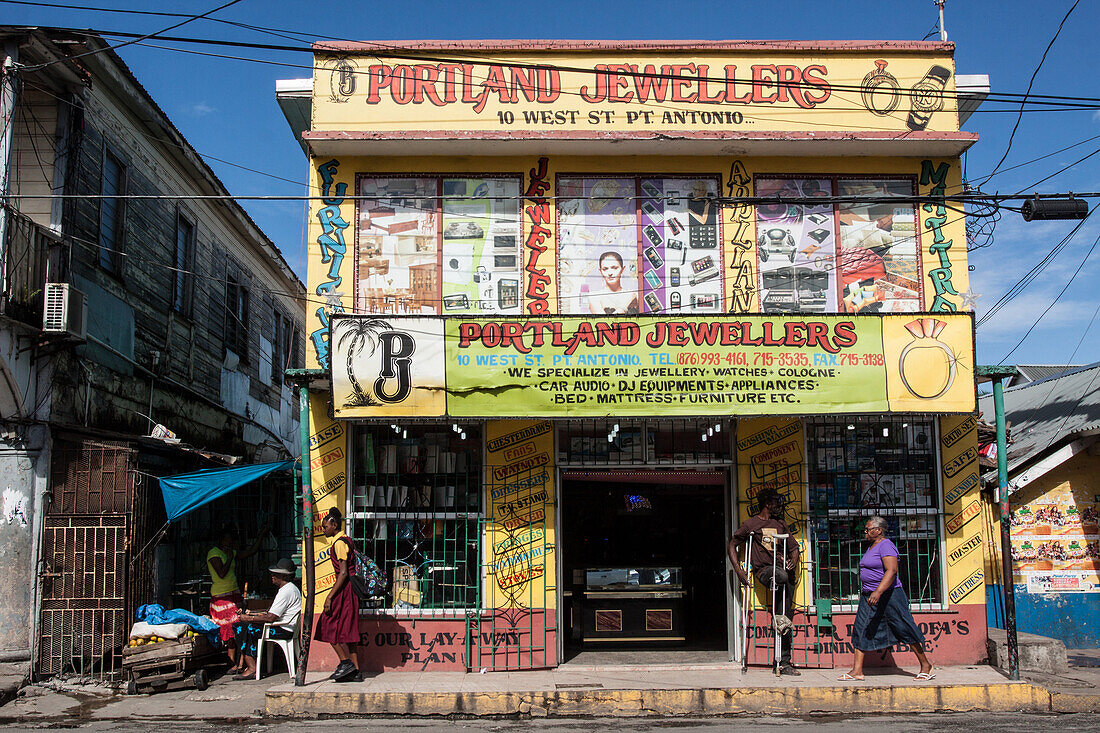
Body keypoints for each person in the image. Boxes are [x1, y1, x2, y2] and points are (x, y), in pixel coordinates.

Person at [839, 516, 934, 682]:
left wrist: (878, 592)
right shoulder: (871, 547)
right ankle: (857, 670)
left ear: (879, 530)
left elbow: (891, 570)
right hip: (869, 595)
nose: (866, 532)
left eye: (868, 529)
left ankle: (926, 665)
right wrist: (872, 592)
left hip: (889, 595)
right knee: (861, 628)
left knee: (903, 626)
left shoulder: (886, 545)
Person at [728, 488, 801, 675]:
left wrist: (794, 559)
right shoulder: (751, 524)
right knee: (781, 576)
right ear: (767, 504)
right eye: (776, 502)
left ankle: (783, 663)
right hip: (765, 571)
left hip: (783, 574)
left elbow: (794, 547)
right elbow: (732, 545)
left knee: (784, 618)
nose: (778, 505)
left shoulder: (781, 524)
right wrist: (739, 571)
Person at [207, 525, 266, 672]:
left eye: (230, 541)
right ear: (220, 541)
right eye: (225, 541)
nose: (228, 543)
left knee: (237, 627)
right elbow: (221, 573)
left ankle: (239, 664)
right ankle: (232, 663)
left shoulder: (231, 553)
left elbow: (251, 552)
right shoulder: (214, 553)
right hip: (221, 597)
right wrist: (229, 558)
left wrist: (261, 536)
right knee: (229, 631)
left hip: (234, 594)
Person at [230, 558, 301, 679]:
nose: (272, 576)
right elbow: (270, 612)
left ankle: (252, 667)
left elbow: (270, 618)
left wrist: (248, 619)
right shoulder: (288, 589)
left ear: (284, 576)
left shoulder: (286, 591)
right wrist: (251, 614)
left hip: (284, 630)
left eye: (275, 573)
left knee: (242, 628)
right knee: (245, 626)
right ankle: (251, 665)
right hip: (285, 627)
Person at [316, 507, 362, 682]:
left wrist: (329, 597)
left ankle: (345, 662)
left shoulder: (340, 543)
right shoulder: (346, 539)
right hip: (348, 589)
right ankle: (355, 671)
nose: (324, 529)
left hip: (344, 589)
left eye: (326, 526)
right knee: (349, 631)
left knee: (326, 624)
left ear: (334, 524)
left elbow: (342, 573)